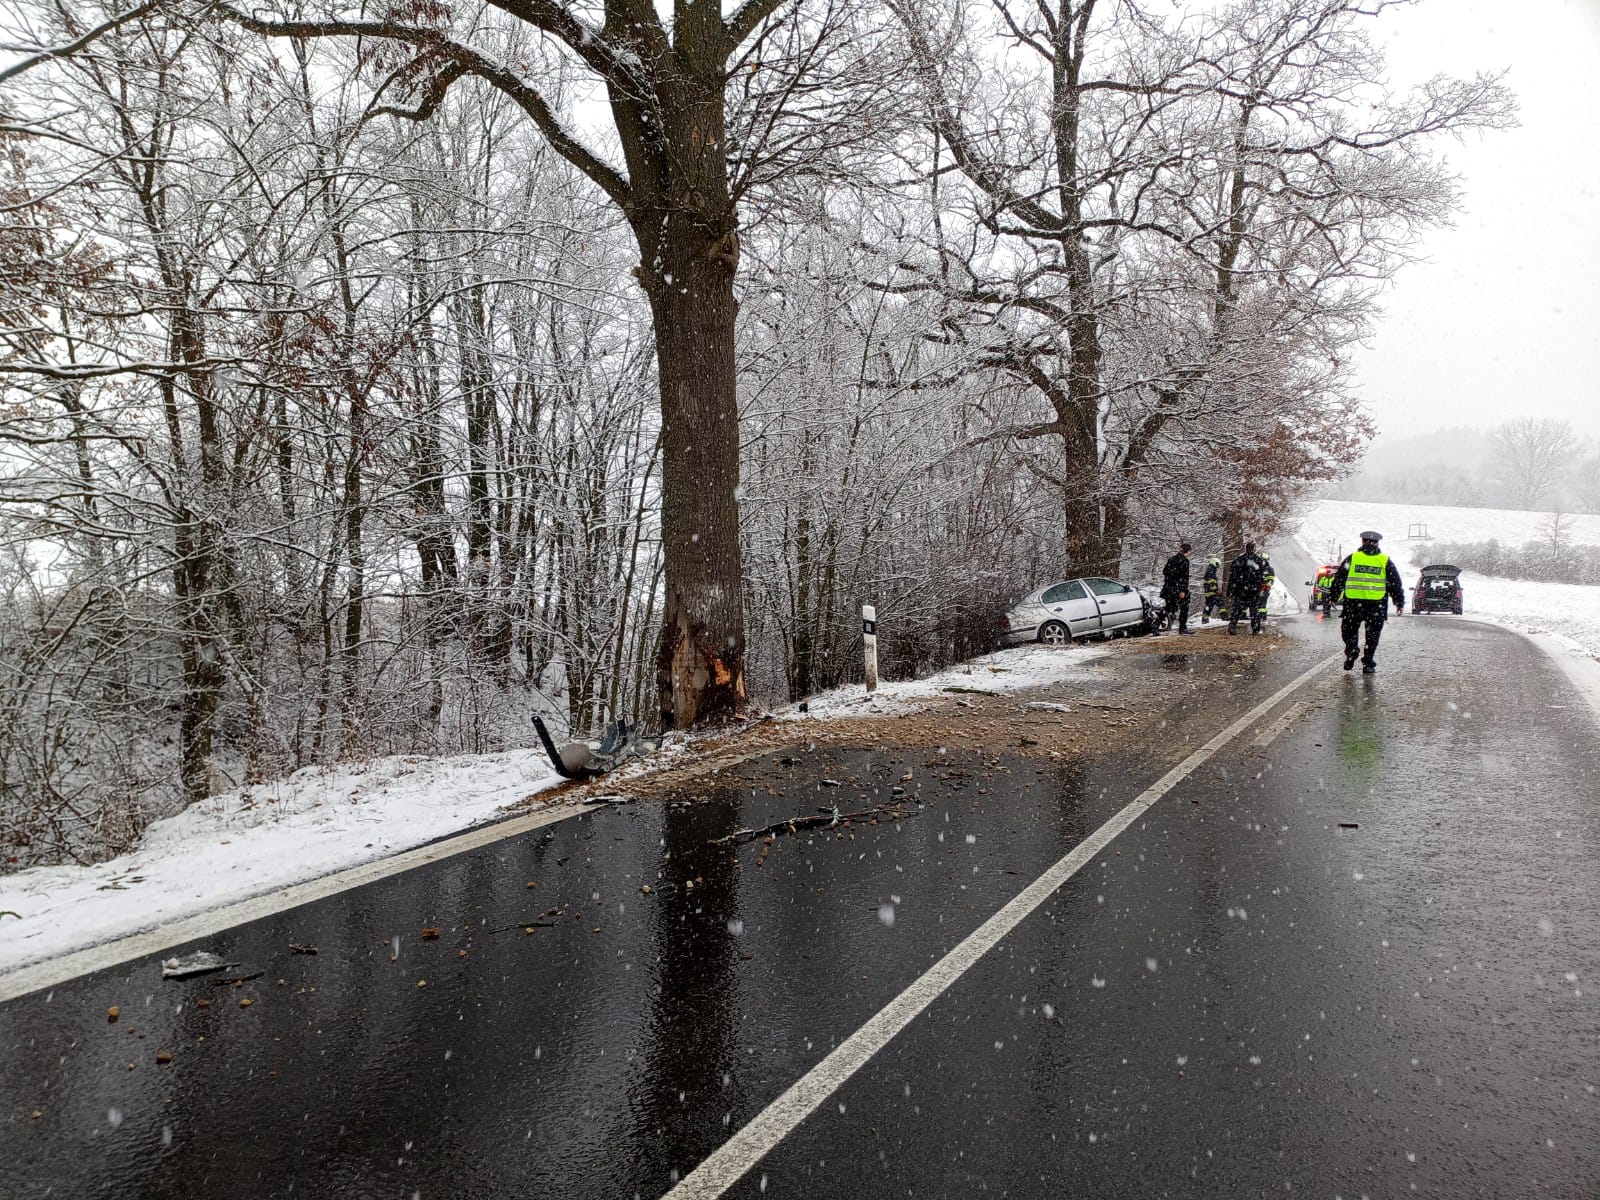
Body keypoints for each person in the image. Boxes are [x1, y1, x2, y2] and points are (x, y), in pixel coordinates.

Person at [1330, 529, 1405, 673]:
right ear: (1377, 543)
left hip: (1353, 604)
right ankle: (1368, 661)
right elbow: (1395, 583)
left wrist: (1333, 597)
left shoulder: (1352, 558)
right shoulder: (1385, 561)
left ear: (1362, 541)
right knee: (1373, 635)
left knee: (1349, 631)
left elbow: (1339, 579)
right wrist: (1399, 602)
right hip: (1376, 605)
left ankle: (1352, 650)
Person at [1227, 542, 1267, 635]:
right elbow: (1262, 577)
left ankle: (1232, 626)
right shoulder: (1258, 561)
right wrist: (1261, 587)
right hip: (1253, 590)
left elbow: (1232, 577)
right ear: (1254, 549)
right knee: (1254, 610)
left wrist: (1230, 590)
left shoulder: (1239, 560)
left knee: (1237, 609)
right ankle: (1255, 629)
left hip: (1241, 590)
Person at [1161, 541, 1195, 635]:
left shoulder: (1172, 559)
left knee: (1169, 608)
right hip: (1178, 590)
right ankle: (1182, 628)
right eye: (1190, 551)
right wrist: (1182, 590)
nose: (1190, 553)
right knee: (1184, 608)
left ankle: (1156, 624)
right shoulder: (1184, 561)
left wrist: (1171, 583)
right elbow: (1184, 578)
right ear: (1187, 551)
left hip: (1168, 588)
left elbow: (1165, 572)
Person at [1201, 556, 1222, 623]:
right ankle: (1224, 617)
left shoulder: (1210, 570)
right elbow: (1211, 582)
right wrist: (1216, 591)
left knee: (1209, 606)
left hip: (1209, 593)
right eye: (1217, 564)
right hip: (1211, 592)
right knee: (1221, 603)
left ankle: (1205, 619)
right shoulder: (1211, 571)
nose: (1218, 566)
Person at [1257, 552, 1275, 626]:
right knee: (1258, 603)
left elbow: (1271, 579)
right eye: (1261, 560)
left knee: (1262, 603)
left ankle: (1263, 616)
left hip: (1264, 589)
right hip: (1257, 589)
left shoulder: (1270, 569)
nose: (1262, 561)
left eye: (1264, 560)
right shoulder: (1257, 568)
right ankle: (1259, 616)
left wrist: (1267, 586)